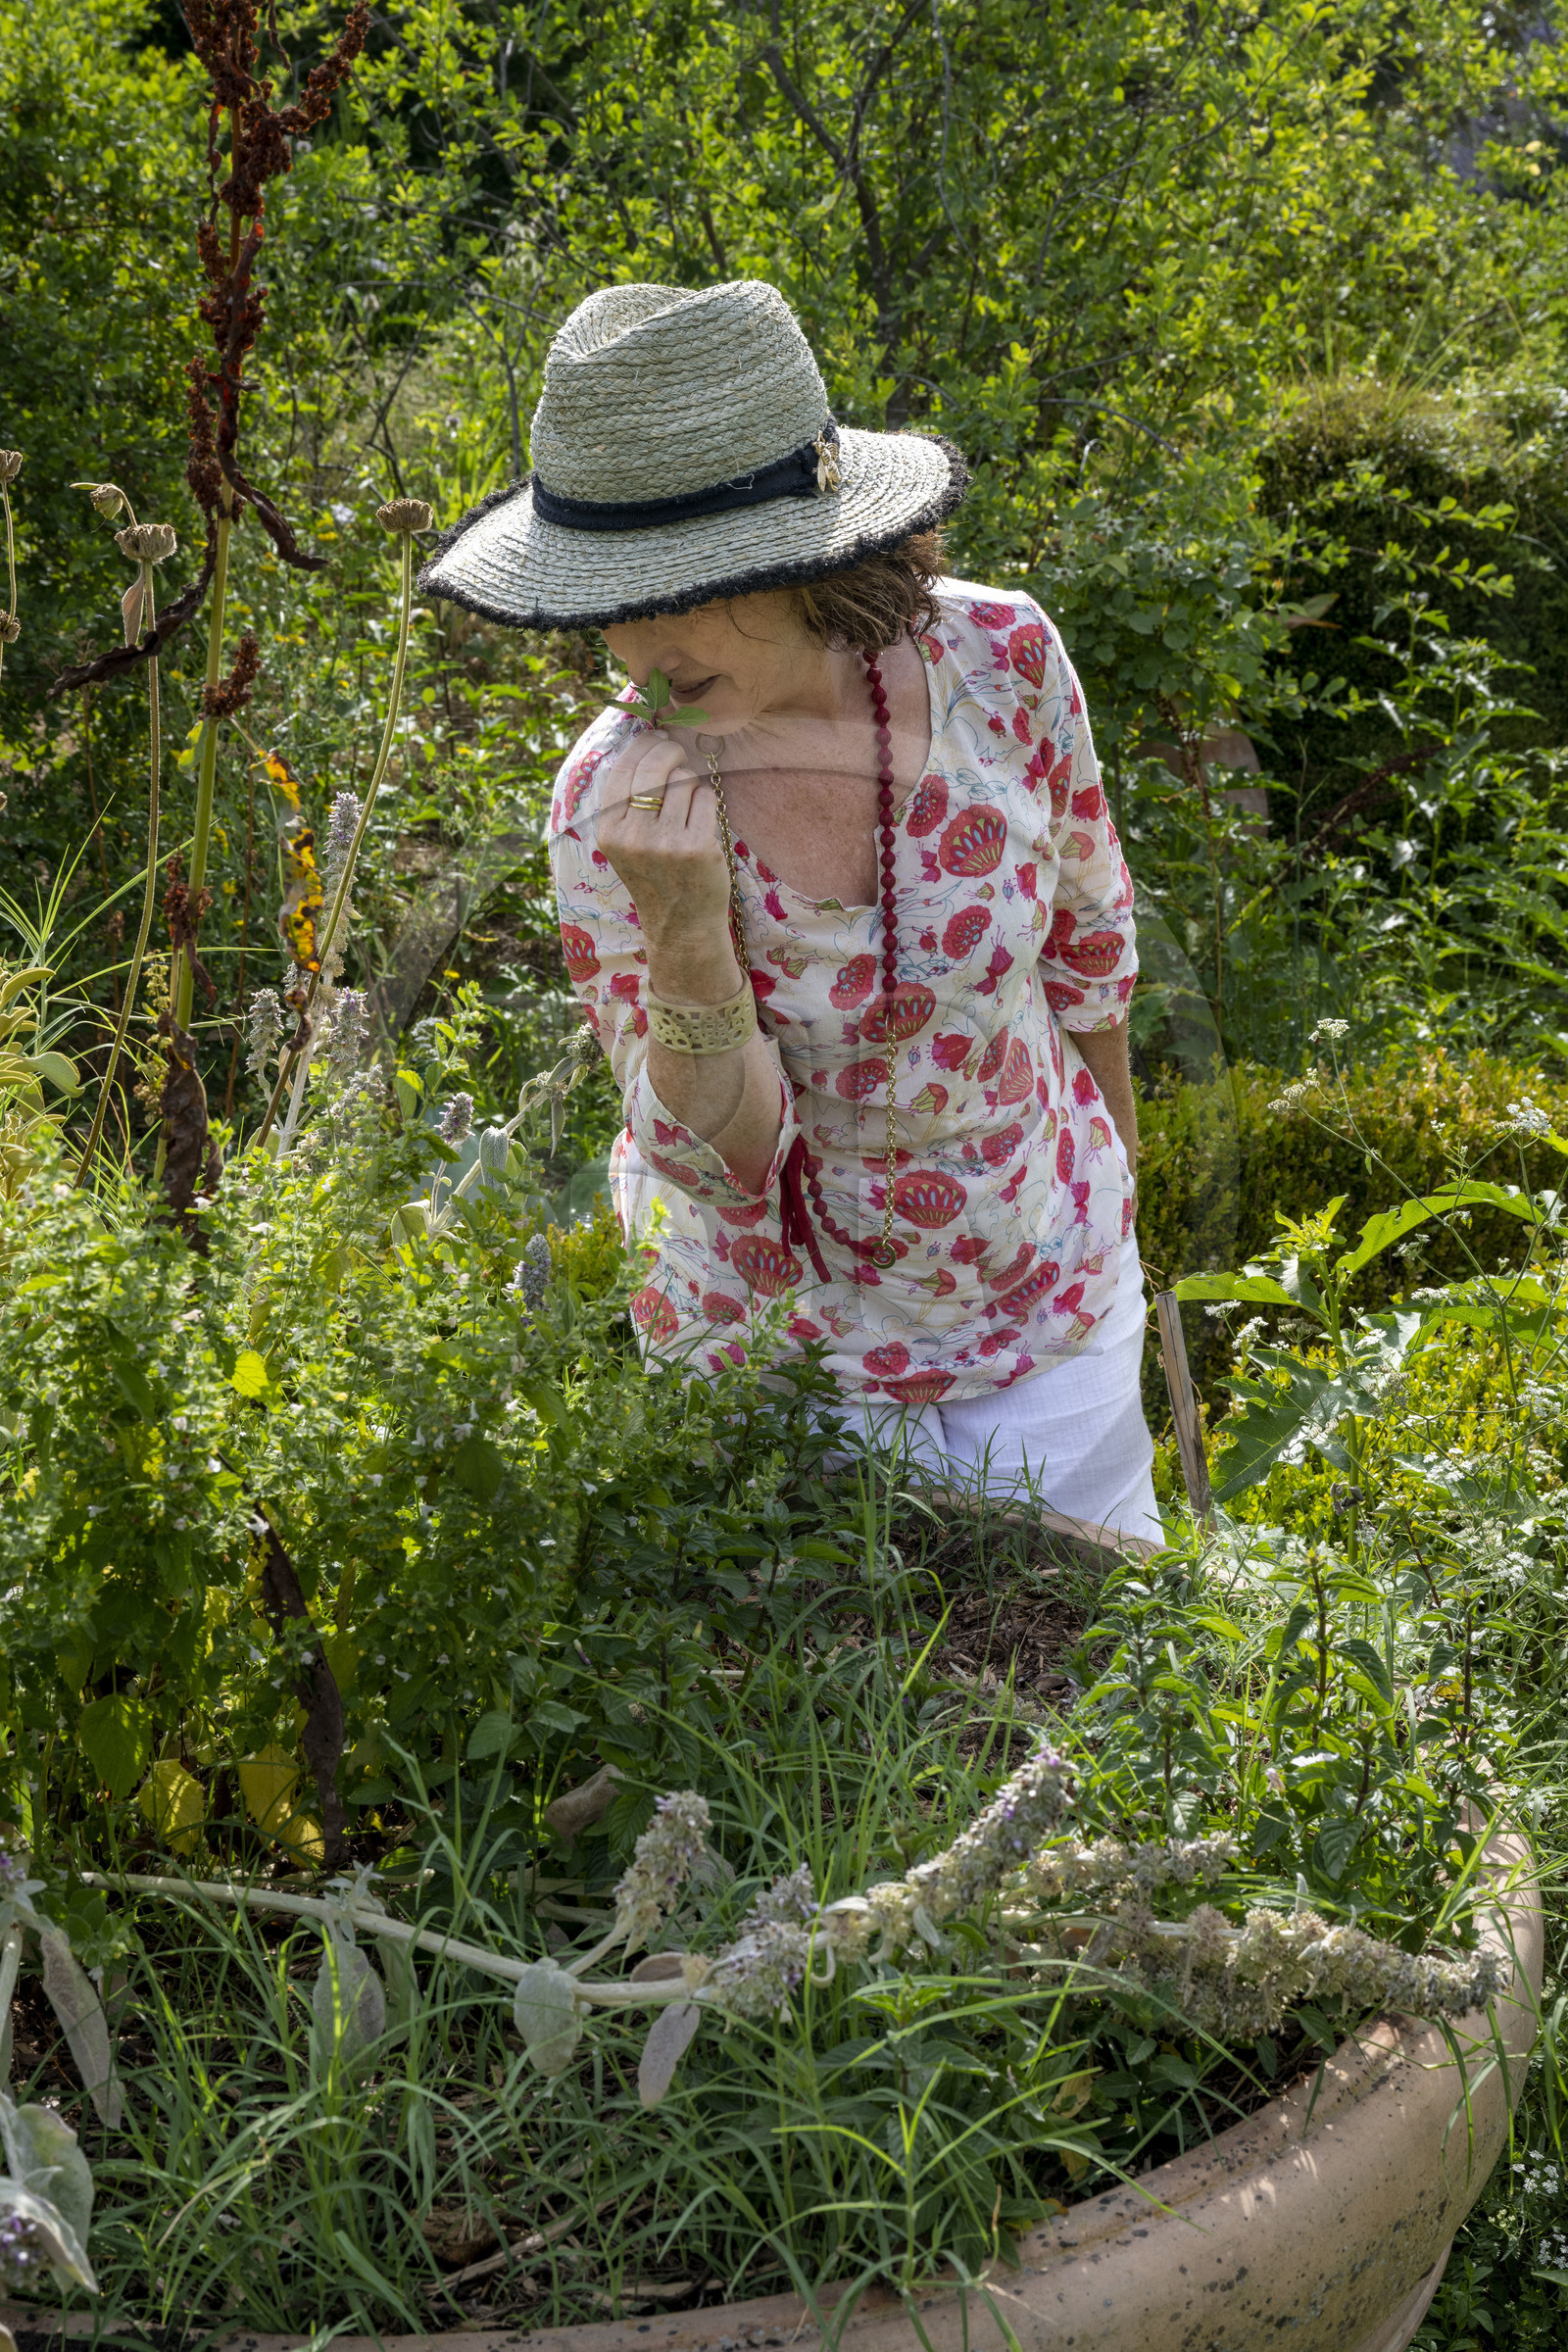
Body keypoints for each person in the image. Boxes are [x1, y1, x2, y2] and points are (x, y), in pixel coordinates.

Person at [420, 278, 1161, 1547]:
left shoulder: (1003, 659)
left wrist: (1123, 1192)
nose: (647, 640)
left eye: (693, 580)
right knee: (854, 1738)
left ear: (807, 547)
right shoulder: (611, 802)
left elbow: (1091, 945)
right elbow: (724, 1167)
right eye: (614, 594)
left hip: (1050, 1306)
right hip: (776, 1373)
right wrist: (689, 929)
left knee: (1100, 1688)